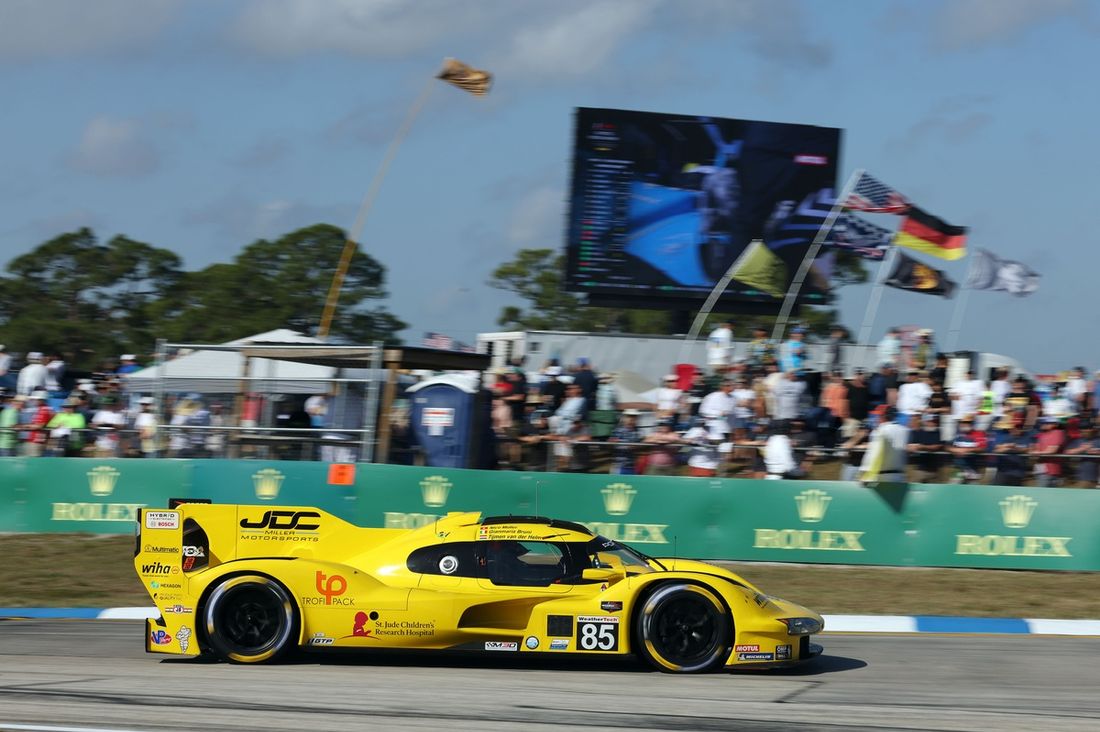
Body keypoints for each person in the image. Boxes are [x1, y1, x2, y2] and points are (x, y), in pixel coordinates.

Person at [858, 406, 909, 483]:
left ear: (883, 416)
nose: (876, 418)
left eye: (878, 416)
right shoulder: (905, 430)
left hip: (881, 477)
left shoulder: (880, 431)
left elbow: (873, 453)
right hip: (899, 477)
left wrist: (864, 473)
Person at [990, 418, 1032, 486]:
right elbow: (996, 450)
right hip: (1002, 471)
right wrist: (1008, 446)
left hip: (1018, 473)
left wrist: (1013, 447)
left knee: (1014, 491)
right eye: (1014, 428)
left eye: (1019, 428)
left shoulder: (1026, 438)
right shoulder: (1004, 437)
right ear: (1010, 429)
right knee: (997, 490)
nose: (1017, 429)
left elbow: (1026, 449)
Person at [949, 415, 987, 483]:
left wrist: (968, 450)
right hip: (958, 468)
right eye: (963, 423)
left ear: (972, 423)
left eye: (968, 423)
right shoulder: (958, 434)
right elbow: (947, 446)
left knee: (972, 487)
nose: (965, 425)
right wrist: (953, 449)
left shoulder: (979, 433)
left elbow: (982, 448)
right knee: (953, 486)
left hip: (973, 469)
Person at [1030, 417, 1067, 487]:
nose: (1043, 424)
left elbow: (1052, 450)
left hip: (1051, 469)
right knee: (1041, 488)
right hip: (1040, 468)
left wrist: (1037, 453)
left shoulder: (1057, 433)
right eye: (1042, 423)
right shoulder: (1041, 434)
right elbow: (1035, 449)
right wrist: (1034, 450)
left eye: (1046, 423)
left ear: (1055, 424)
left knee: (1046, 491)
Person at [907, 413, 944, 483]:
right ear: (925, 422)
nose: (933, 424)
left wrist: (922, 446)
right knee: (914, 487)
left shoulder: (938, 432)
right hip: (920, 469)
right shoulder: (918, 432)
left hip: (934, 470)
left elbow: (936, 447)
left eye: (935, 422)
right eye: (930, 421)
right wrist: (915, 447)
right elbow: (911, 447)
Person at [1064, 421, 1100, 487]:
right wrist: (1081, 449)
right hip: (1082, 477)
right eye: (1082, 429)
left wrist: (1097, 452)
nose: (1084, 431)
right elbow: (1067, 452)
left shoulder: (1098, 440)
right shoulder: (1078, 441)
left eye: (1087, 429)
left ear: (1093, 429)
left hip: (1094, 477)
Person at [608, 410, 642, 475]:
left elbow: (639, 445)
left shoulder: (637, 432)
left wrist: (637, 446)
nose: (631, 419)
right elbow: (610, 443)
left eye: (634, 417)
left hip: (632, 466)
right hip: (618, 466)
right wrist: (612, 442)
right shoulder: (618, 430)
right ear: (624, 418)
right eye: (629, 416)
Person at [0, 392, 19, 457]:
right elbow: (9, 427)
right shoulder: (10, 411)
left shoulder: (4, 410)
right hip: (7, 445)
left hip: (8, 444)